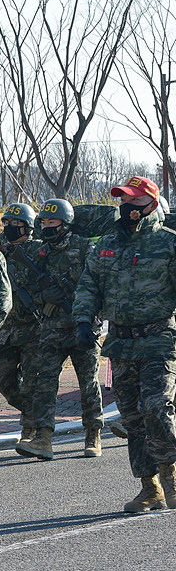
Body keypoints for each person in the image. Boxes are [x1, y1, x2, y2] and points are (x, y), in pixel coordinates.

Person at [73, 176, 176, 512]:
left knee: (156, 407)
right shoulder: (106, 244)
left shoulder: (168, 244)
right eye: (122, 200)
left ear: (151, 203)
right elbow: (89, 285)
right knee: (132, 418)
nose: (126, 206)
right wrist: (84, 320)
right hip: (121, 342)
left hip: (160, 338)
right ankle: (151, 488)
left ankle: (172, 477)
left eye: (133, 200)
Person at [17, 199, 104, 461]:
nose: (47, 227)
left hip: (83, 326)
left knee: (88, 383)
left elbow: (98, 284)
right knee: (45, 383)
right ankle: (44, 438)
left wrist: (85, 311)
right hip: (52, 328)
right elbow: (26, 289)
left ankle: (93, 434)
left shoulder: (84, 247)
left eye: (52, 222)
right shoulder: (39, 253)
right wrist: (45, 296)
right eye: (43, 222)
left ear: (65, 224)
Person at [0, 203, 43, 451]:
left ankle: (30, 427)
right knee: (2, 376)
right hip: (8, 328)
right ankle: (35, 412)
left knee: (33, 380)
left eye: (15, 224)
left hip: (35, 329)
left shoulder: (40, 250)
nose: (9, 228)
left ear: (28, 226)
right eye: (6, 224)